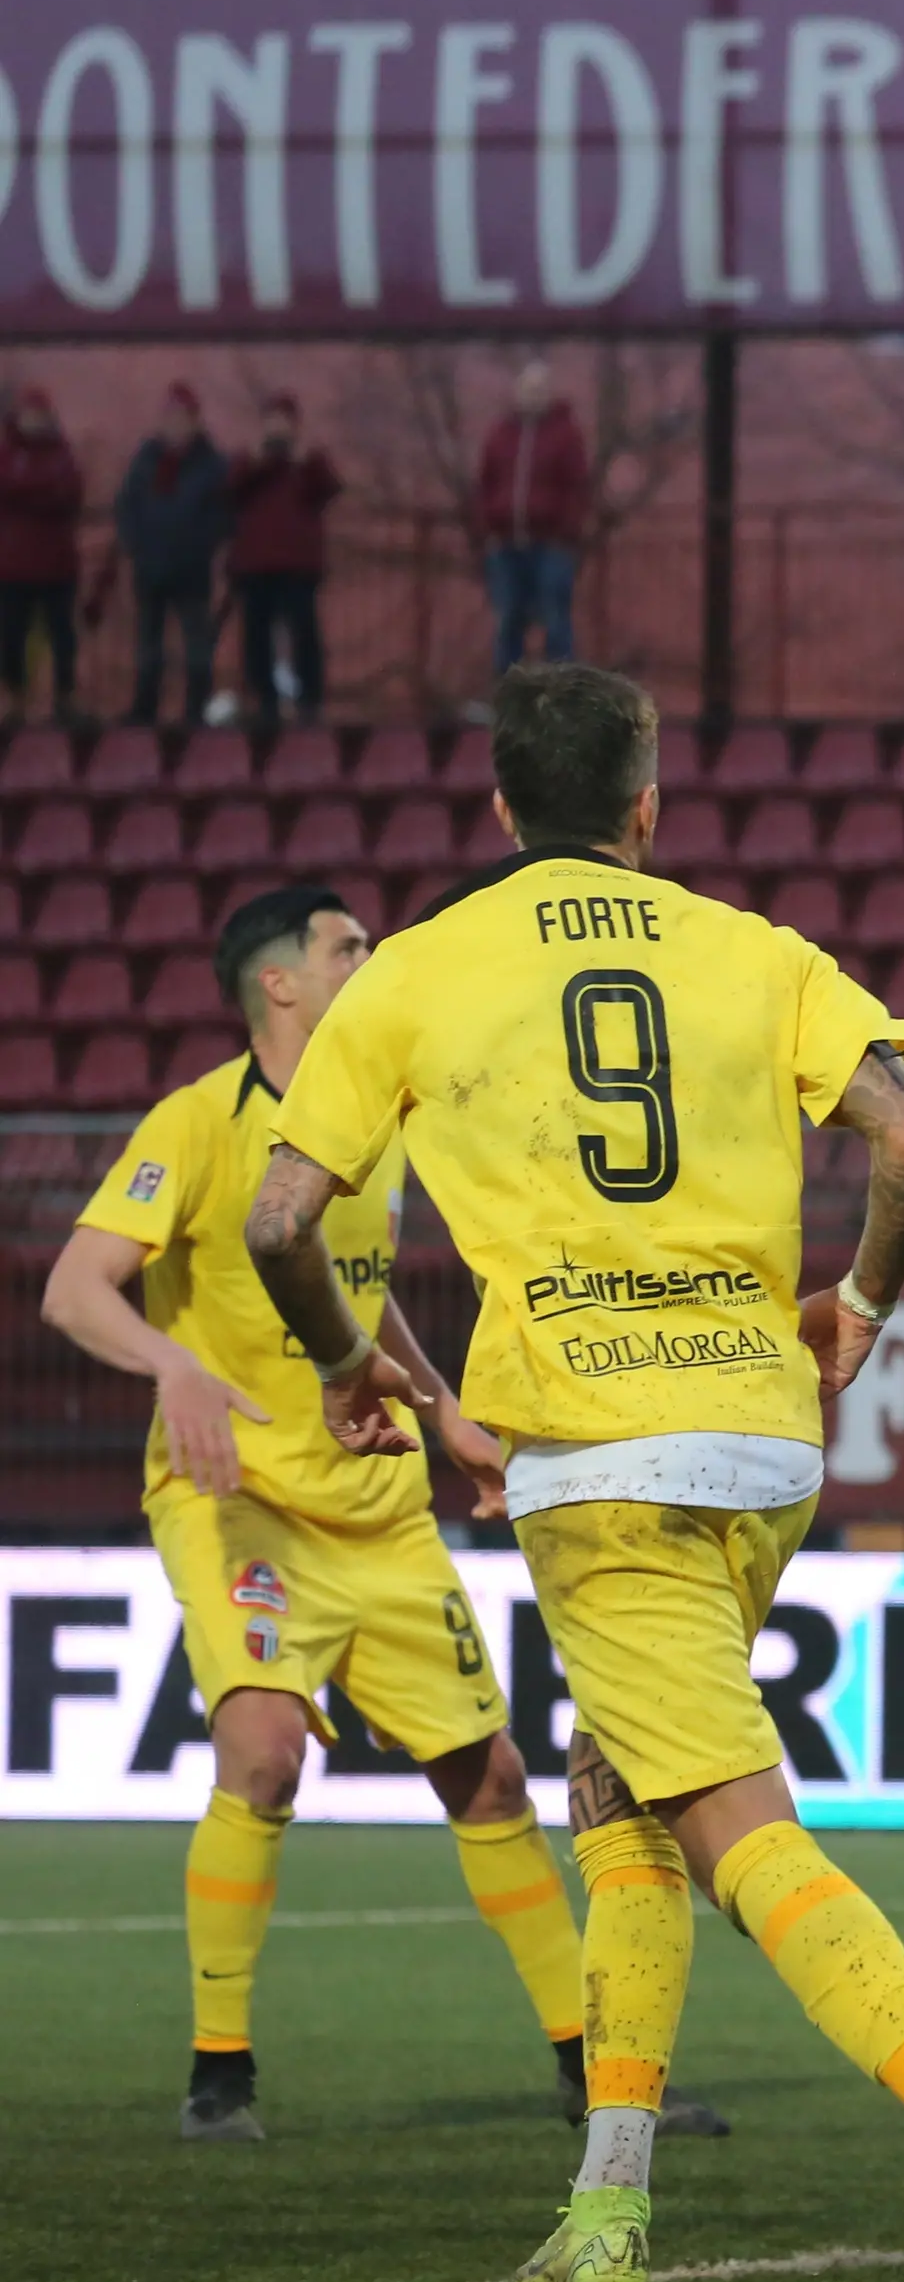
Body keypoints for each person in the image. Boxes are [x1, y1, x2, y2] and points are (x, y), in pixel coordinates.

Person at [245, 663, 904, 2282]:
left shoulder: (413, 975)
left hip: (600, 1456)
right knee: (620, 1792)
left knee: (733, 1828)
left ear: (499, 812)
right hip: (765, 1440)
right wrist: (860, 1305)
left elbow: (278, 1221)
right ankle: (610, 2202)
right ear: (646, 805)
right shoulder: (753, 949)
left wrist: (363, 1365)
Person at [36, 885, 718, 2147]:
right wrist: (172, 1365)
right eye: (346, 943)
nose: (371, 953)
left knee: (493, 1776)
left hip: (380, 1505)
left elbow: (349, 1294)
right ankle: (220, 2072)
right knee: (262, 1750)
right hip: (241, 1500)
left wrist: (441, 1400)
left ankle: (589, 2065)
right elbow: (75, 1289)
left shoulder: (373, 1124)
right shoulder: (196, 1124)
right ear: (280, 985)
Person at [105, 383, 230, 727]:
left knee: (196, 646)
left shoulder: (211, 463)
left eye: (181, 418)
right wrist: (135, 544)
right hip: (150, 567)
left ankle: (197, 711)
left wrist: (200, 544)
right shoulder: (146, 459)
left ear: (194, 421)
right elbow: (126, 504)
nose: (175, 426)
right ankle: (144, 709)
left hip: (192, 569)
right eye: (170, 418)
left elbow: (224, 512)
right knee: (148, 645)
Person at [226, 392, 340, 719]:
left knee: (304, 630)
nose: (278, 429)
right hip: (256, 562)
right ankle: (265, 700)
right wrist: (258, 459)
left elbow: (329, 489)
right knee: (256, 634)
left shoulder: (308, 461)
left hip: (298, 564)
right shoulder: (248, 459)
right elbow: (230, 490)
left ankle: (309, 700)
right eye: (272, 421)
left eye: (283, 421)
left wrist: (306, 461)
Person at [478, 358, 591, 675]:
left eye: (540, 389)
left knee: (555, 620)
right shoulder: (499, 434)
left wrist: (566, 533)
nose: (533, 396)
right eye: (528, 389)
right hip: (505, 543)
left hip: (551, 544)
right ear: (517, 392)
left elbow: (577, 487)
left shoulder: (565, 435)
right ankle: (510, 698)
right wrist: (488, 527)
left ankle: (565, 700)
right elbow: (485, 482)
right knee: (508, 620)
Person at [0, 386, 86, 715]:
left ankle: (65, 698)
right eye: (29, 415)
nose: (35, 422)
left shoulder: (62, 454)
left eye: (40, 415)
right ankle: (15, 696)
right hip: (13, 565)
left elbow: (70, 495)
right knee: (11, 636)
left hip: (57, 565)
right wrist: (43, 493)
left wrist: (28, 495)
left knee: (63, 636)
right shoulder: (7, 453)